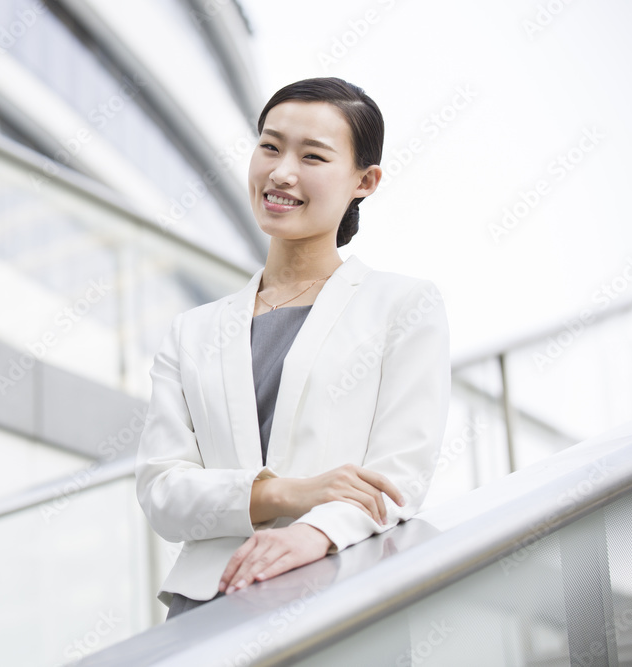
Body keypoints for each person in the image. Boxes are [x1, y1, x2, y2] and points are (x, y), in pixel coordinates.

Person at [134, 77, 451, 620]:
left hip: (339, 588)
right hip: (208, 602)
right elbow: (162, 491)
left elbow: (400, 475)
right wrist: (286, 494)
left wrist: (315, 530)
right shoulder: (192, 331)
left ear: (365, 180)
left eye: (313, 156)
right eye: (270, 146)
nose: (282, 172)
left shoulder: (403, 305)